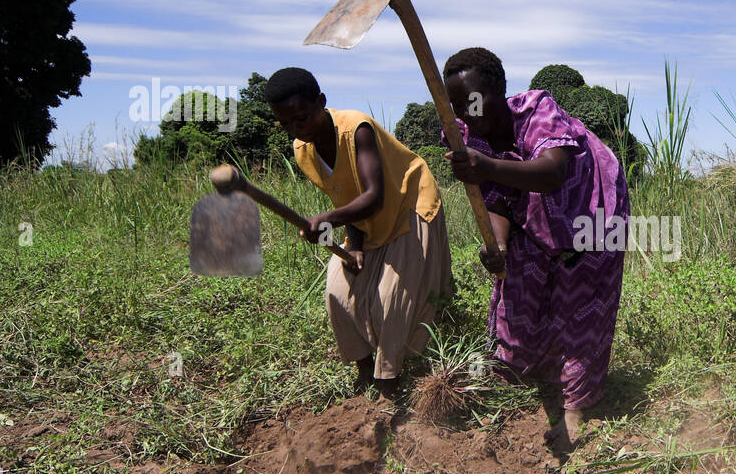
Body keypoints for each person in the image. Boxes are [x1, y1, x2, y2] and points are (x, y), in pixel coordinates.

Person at [442, 48, 629, 447]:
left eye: (475, 100)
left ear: (500, 90)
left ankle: (575, 407)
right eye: (459, 105)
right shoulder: (464, 137)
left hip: (592, 212)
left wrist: (486, 166)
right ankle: (520, 378)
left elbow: (553, 171)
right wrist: (499, 243)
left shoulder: (537, 110)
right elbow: (494, 198)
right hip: (531, 214)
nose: (469, 112)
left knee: (583, 308)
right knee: (520, 291)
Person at [264, 67, 452, 398]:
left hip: (408, 202)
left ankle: (388, 380)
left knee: (390, 300)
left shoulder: (356, 129)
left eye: (302, 118)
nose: (296, 129)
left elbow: (374, 195)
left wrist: (327, 220)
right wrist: (355, 245)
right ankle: (365, 368)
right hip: (366, 219)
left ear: (321, 102)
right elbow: (345, 193)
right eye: (286, 124)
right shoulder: (302, 150)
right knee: (338, 291)